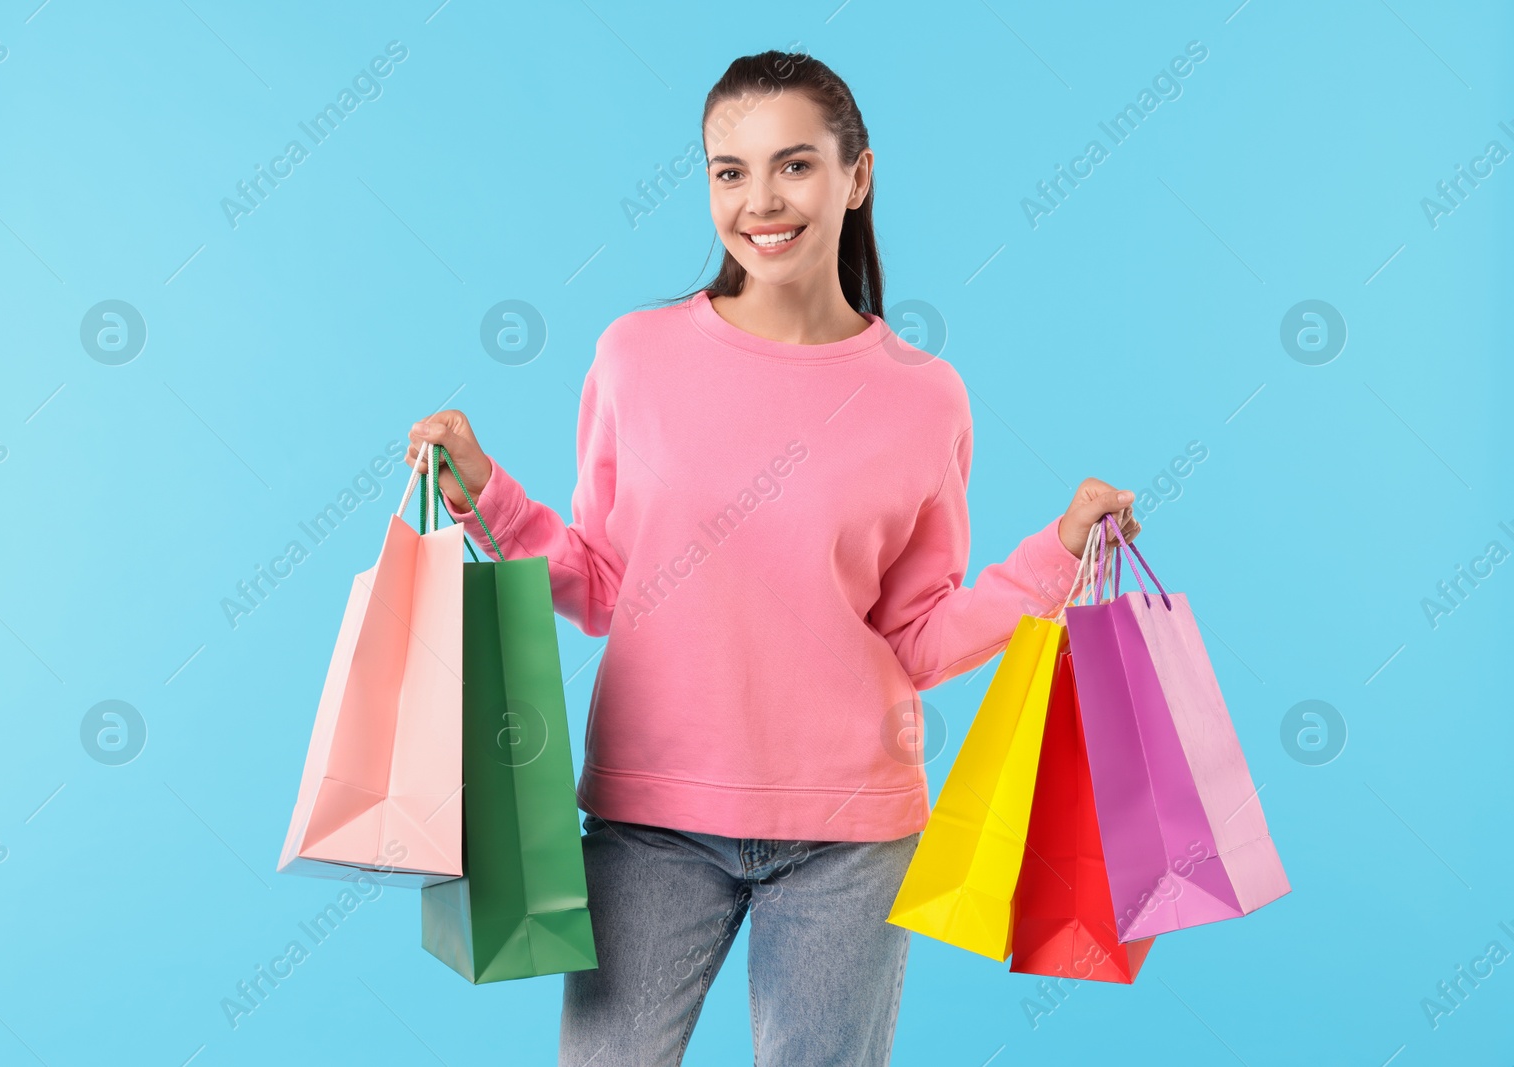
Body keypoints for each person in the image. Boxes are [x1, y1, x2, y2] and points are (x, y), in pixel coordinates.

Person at [407, 48, 1139, 1067]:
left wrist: (1054, 554)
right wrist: (488, 495)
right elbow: (604, 583)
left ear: (858, 176)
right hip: (648, 815)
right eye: (729, 170)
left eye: (794, 165)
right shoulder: (636, 356)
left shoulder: (925, 398)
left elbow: (918, 637)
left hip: (851, 832)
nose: (760, 201)